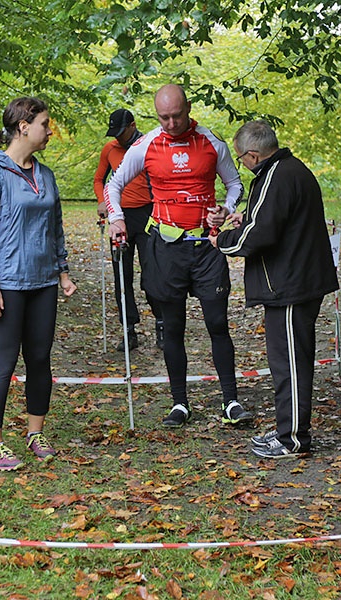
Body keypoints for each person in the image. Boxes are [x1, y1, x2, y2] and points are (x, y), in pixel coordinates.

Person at [105, 84, 253, 429]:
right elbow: (114, 185)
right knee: (172, 327)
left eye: (177, 115)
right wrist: (117, 219)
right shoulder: (147, 144)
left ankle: (230, 401)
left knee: (218, 324)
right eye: (164, 117)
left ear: (188, 108)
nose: (171, 123)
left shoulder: (211, 142)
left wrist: (226, 209)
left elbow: (236, 184)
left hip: (206, 247)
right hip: (165, 248)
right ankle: (179, 403)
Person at [210, 120, 339, 458]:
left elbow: (261, 235)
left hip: (291, 286)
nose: (241, 164)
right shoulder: (286, 171)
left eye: (240, 159)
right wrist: (248, 217)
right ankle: (287, 428)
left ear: (253, 155)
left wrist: (220, 241)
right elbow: (271, 219)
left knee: (290, 364)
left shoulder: (277, 176)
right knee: (287, 360)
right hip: (294, 281)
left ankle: (293, 439)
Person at [0, 96, 77, 471]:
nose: (50, 131)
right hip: (6, 284)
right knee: (3, 363)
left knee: (40, 359)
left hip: (43, 282)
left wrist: (62, 271)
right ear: (23, 126)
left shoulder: (45, 175)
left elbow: (56, 227)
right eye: (45, 124)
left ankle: (35, 432)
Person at [93, 108, 163, 351]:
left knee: (152, 274)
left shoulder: (148, 146)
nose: (118, 137)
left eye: (122, 132)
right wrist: (102, 200)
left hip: (146, 215)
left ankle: (161, 322)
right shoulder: (110, 149)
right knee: (122, 276)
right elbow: (99, 179)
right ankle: (129, 330)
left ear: (133, 126)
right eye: (115, 133)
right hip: (118, 217)